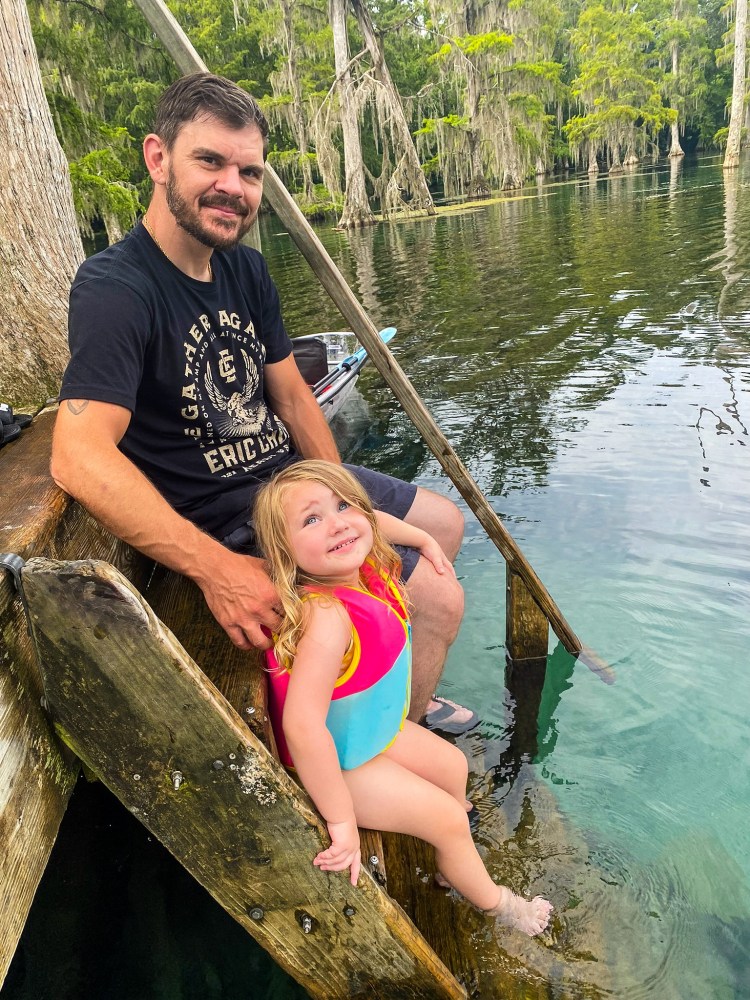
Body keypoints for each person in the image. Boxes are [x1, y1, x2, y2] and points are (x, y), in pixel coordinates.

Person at [51, 71, 470, 732]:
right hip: (226, 519)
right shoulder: (116, 289)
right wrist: (218, 571)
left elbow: (294, 396)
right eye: (210, 161)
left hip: (288, 485)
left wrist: (338, 499)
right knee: (439, 595)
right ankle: (397, 737)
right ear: (157, 158)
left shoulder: (243, 267)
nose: (232, 186)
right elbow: (77, 457)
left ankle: (392, 680)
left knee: (445, 522)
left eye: (249, 172)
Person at [253, 460, 552, 935]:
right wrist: (342, 820)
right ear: (284, 551)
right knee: (448, 817)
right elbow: (303, 727)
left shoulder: (363, 569)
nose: (336, 524)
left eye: (342, 505)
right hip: (339, 764)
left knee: (454, 768)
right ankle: (497, 904)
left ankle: (452, 863)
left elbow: (371, 521)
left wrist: (425, 538)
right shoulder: (327, 618)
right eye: (311, 520)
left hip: (369, 732)